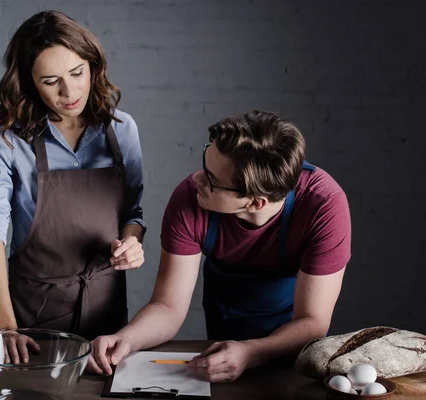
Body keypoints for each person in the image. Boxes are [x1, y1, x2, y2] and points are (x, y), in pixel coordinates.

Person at [87, 110, 351, 382]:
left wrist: (252, 351)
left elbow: (312, 321)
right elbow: (168, 306)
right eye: (205, 164)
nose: (196, 179)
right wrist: (126, 339)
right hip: (223, 324)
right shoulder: (190, 198)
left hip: (292, 341)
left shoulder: (323, 206)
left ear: (255, 202)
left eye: (212, 181)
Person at [0, 10, 146, 361]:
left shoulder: (121, 129)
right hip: (32, 318)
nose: (69, 92)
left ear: (92, 65)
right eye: (51, 81)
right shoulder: (6, 137)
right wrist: (7, 329)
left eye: (77, 73)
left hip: (106, 310)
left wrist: (131, 243)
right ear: (29, 82)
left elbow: (132, 213)